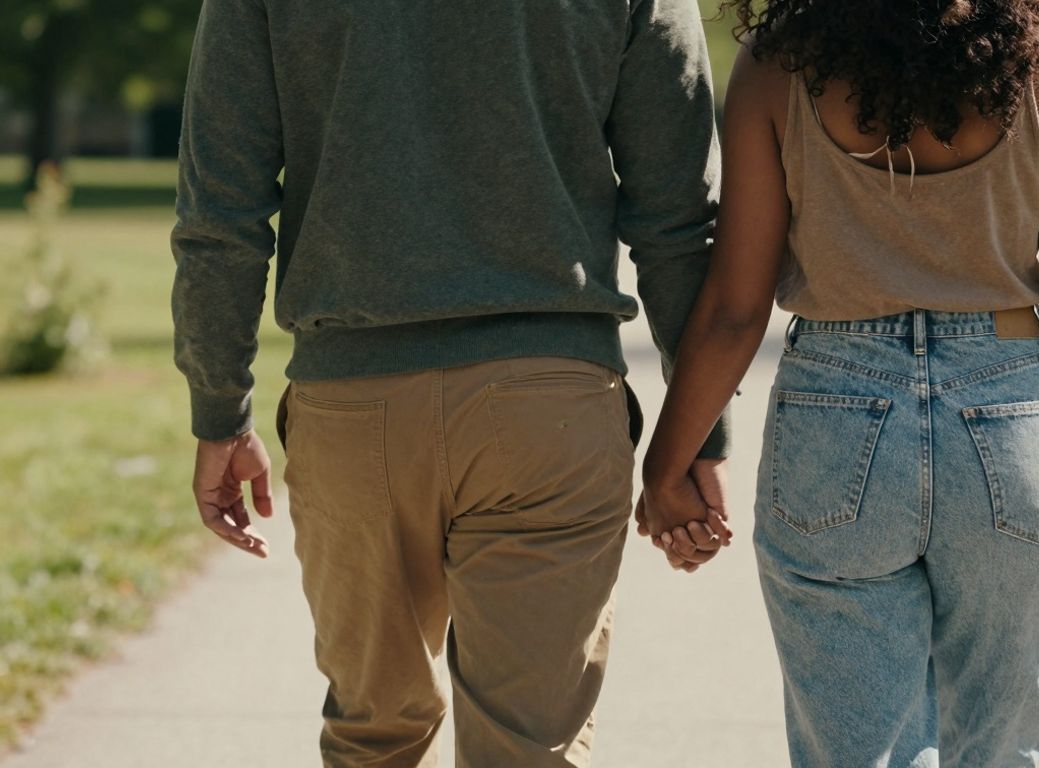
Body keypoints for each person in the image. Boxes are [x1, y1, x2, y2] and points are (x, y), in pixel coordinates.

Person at [171, 1, 732, 765]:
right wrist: (702, 436)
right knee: (531, 749)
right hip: (549, 409)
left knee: (375, 737)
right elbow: (679, 219)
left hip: (354, 407)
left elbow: (221, 211)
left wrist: (220, 412)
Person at [638, 0, 1039, 765]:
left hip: (834, 415)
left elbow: (735, 309)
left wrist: (666, 465)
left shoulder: (780, 65)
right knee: (999, 749)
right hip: (1009, 423)